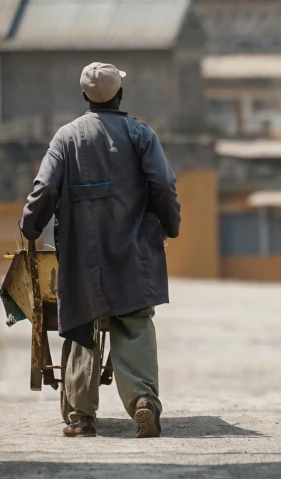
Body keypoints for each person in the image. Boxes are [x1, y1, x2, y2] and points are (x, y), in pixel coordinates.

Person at [19, 62, 181, 438]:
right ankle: (143, 401)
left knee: (79, 324)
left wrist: (30, 225)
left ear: (85, 97)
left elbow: (43, 190)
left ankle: (80, 416)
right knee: (135, 323)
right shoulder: (141, 134)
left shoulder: (66, 137)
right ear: (120, 94)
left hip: (81, 255)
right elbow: (164, 186)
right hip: (133, 252)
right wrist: (169, 226)